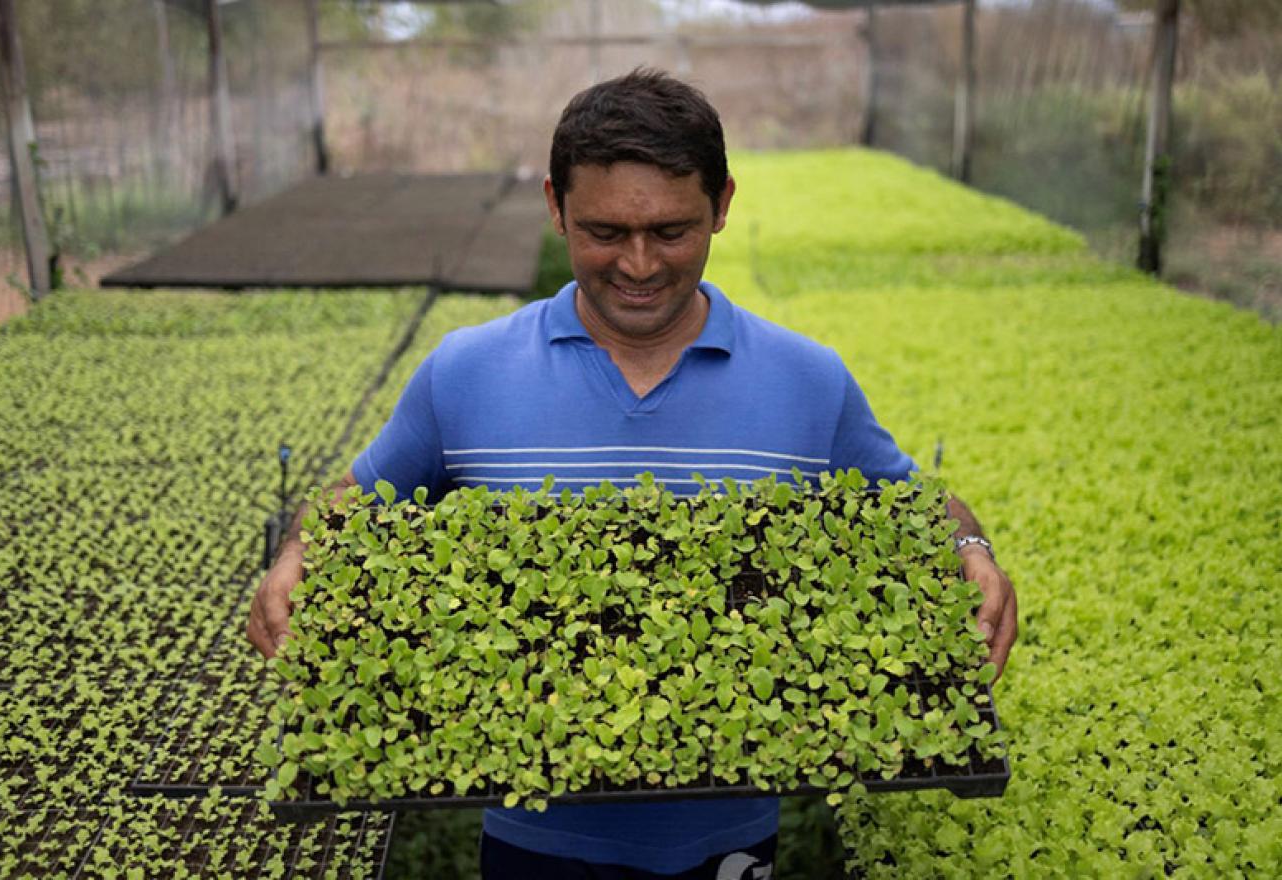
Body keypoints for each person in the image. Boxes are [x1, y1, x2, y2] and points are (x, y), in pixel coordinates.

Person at [247, 68, 1018, 880]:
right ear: (555, 207)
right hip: (529, 838)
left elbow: (917, 506)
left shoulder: (807, 380)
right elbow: (354, 504)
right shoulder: (466, 372)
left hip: (732, 840)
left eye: (674, 231)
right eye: (606, 232)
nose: (640, 264)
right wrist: (301, 549)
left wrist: (968, 543)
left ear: (723, 204)